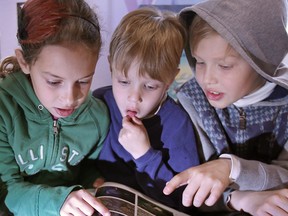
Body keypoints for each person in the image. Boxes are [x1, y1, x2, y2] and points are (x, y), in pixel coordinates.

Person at [163, 0, 288, 215]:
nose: (207, 78)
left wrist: (232, 169)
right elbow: (188, 190)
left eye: (224, 65)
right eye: (199, 61)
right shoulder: (191, 100)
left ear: (262, 60)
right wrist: (240, 199)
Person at [0, 0, 111, 215]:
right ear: (25, 62)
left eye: (84, 81)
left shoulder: (97, 117)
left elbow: (85, 166)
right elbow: (6, 191)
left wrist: (94, 180)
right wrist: (58, 202)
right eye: (54, 82)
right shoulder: (4, 110)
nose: (70, 99)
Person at [93, 6, 199, 212]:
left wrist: (144, 154)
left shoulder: (177, 124)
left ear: (170, 80)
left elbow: (182, 202)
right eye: (123, 81)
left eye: (150, 86)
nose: (134, 97)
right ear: (110, 66)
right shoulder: (99, 102)